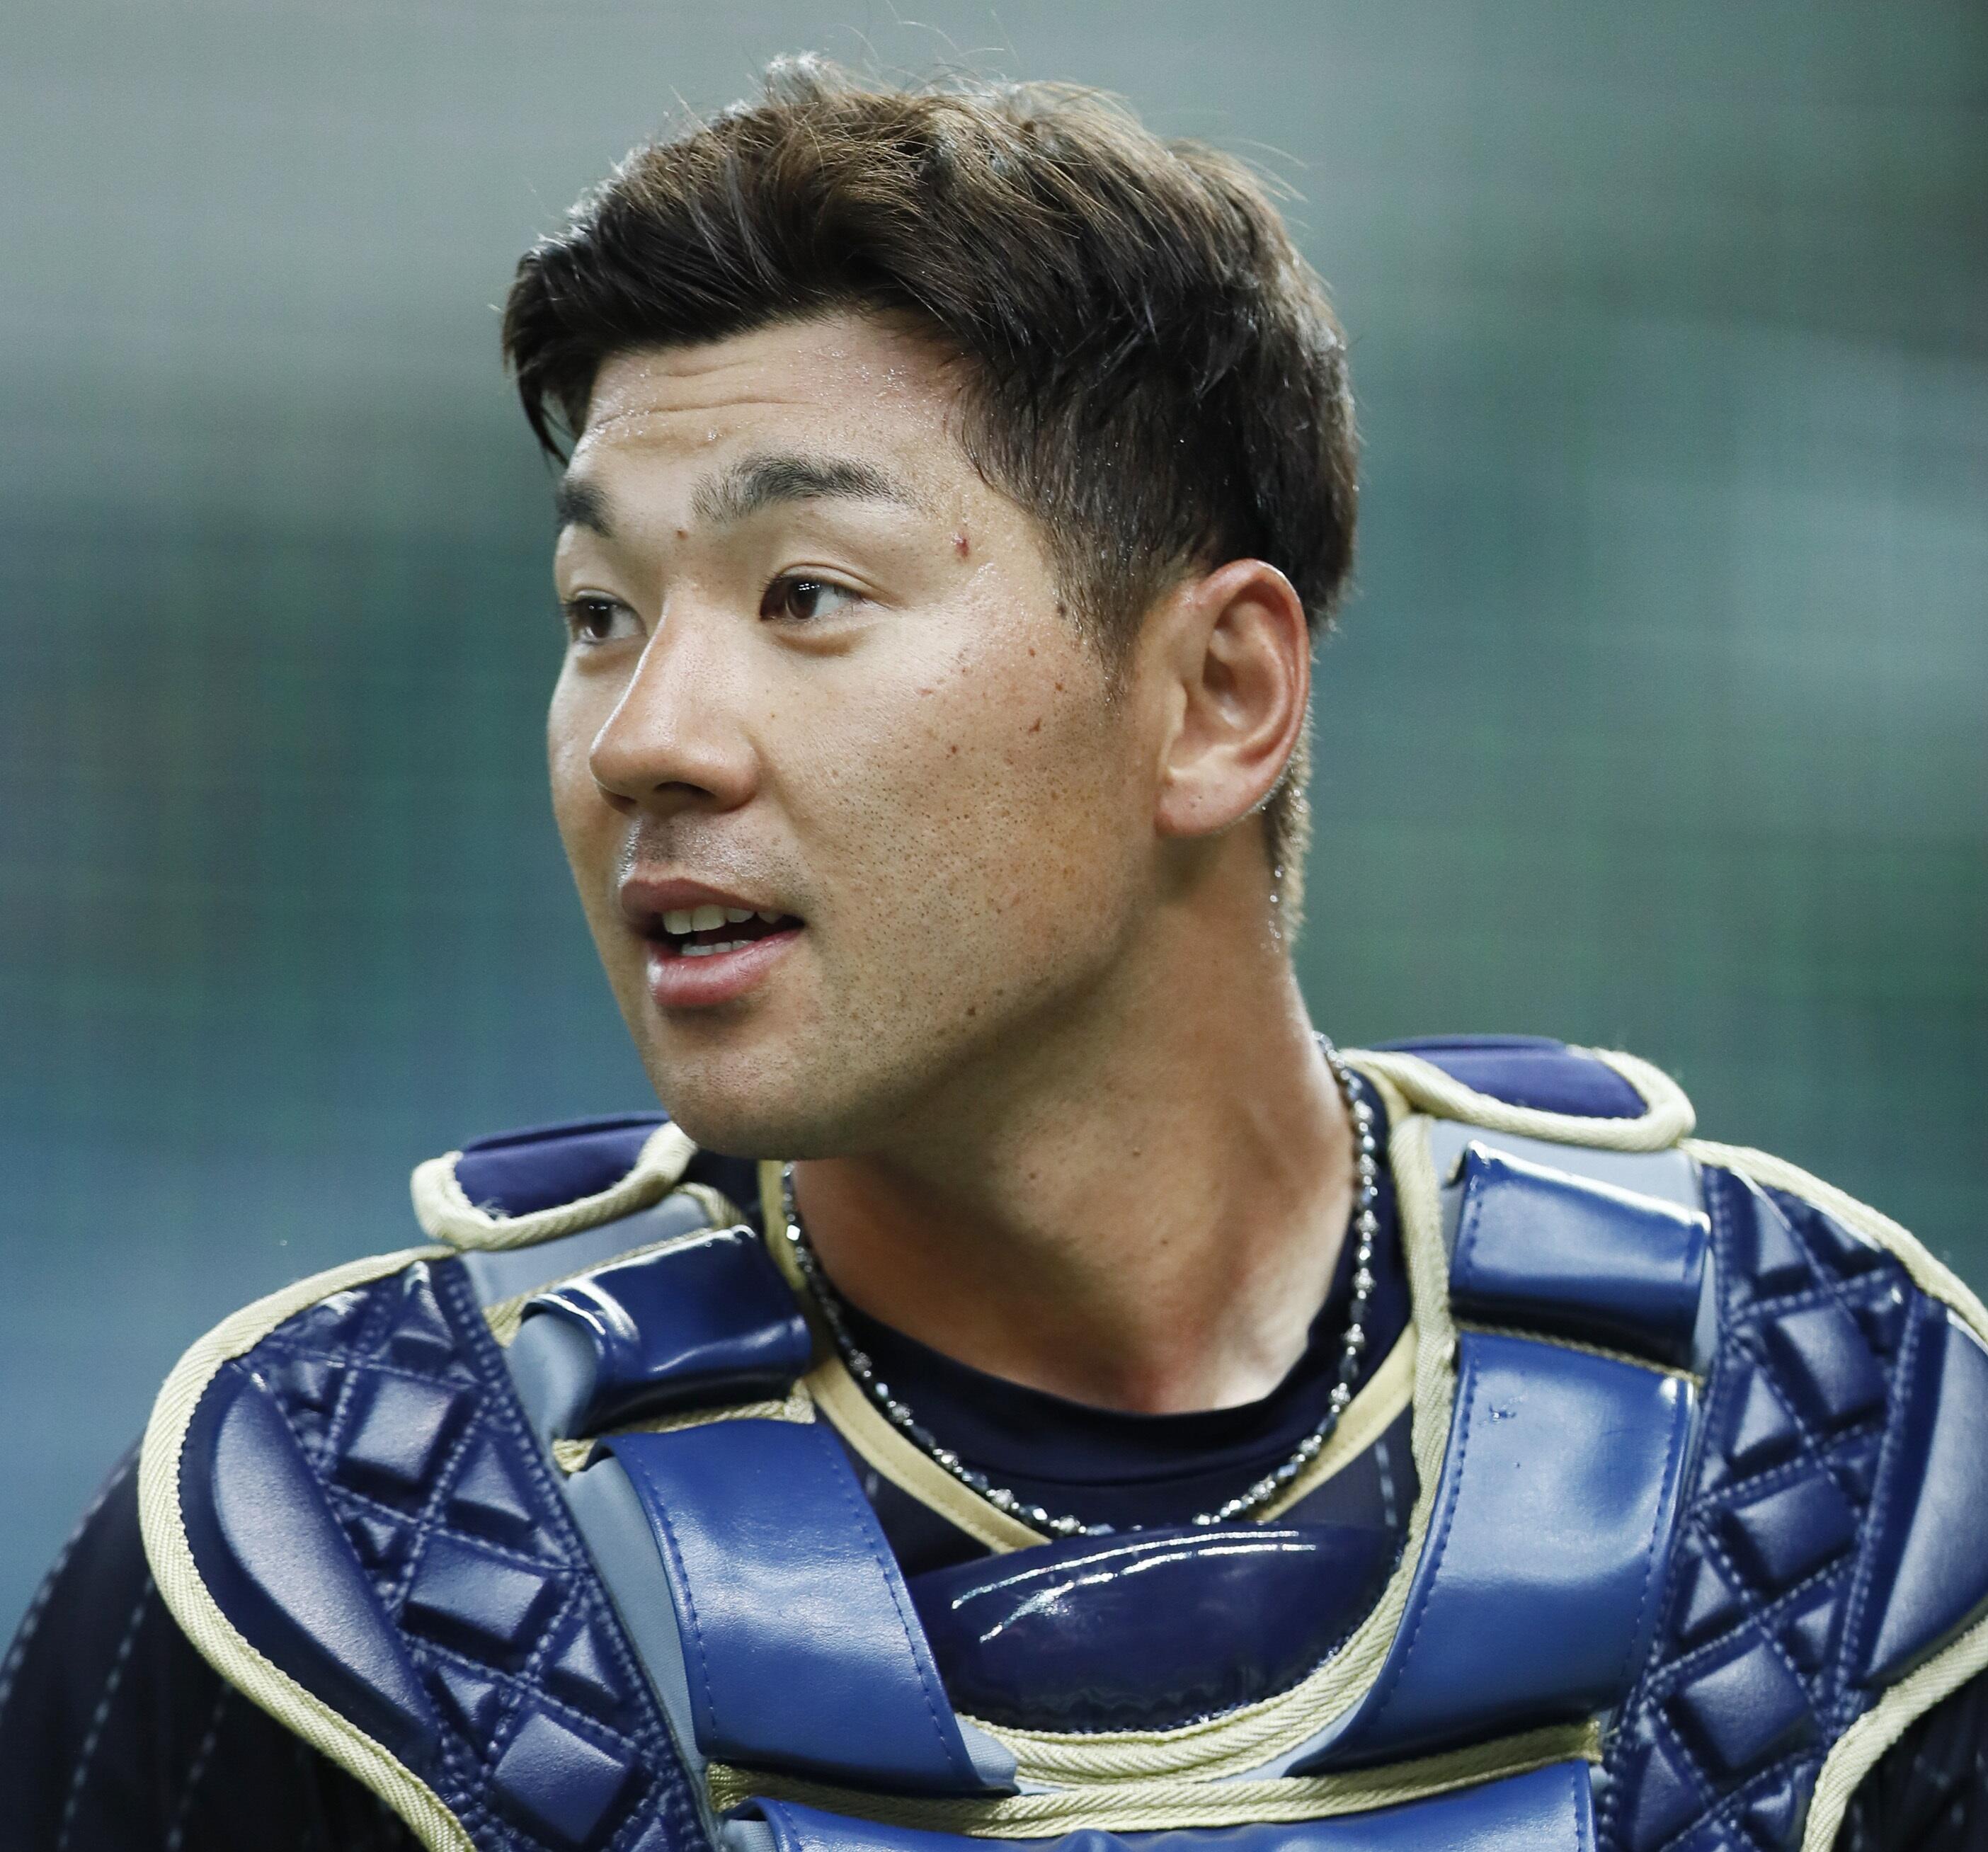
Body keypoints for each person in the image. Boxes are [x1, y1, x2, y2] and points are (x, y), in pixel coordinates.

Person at [3, 57, 1982, 1852]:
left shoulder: (1848, 1446)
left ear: (1219, 695)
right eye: (598, 613)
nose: (645, 739)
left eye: (805, 594)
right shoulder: (336, 1548)